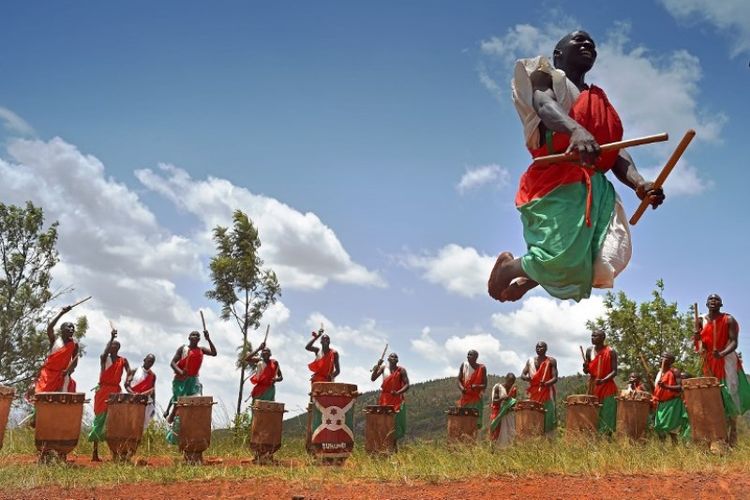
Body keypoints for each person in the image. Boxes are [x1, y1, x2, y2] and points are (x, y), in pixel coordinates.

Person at [488, 30, 665, 303]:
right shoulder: (546, 76)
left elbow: (615, 150)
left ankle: (533, 275)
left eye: (591, 44)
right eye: (578, 41)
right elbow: (544, 105)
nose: (587, 45)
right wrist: (575, 130)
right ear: (558, 55)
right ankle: (510, 269)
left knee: (606, 259)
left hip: (596, 189)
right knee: (562, 255)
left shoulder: (601, 100)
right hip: (557, 178)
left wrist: (640, 183)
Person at [694, 294, 750, 445]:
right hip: (708, 362)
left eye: (716, 299)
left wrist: (722, 353)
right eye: (710, 299)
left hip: (726, 361)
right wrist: (696, 337)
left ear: (721, 304)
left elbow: (734, 342)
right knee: (711, 396)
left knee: (728, 393)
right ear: (706, 303)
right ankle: (715, 436)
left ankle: (733, 429)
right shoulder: (700, 320)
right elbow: (699, 348)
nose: (713, 301)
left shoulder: (729, 319)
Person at [89, 327, 130, 461]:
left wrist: (128, 380)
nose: (113, 347)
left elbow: (129, 372)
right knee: (99, 420)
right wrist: (111, 337)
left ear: (118, 349)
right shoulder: (104, 359)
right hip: (103, 391)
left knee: (114, 422)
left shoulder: (122, 360)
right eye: (111, 345)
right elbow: (104, 352)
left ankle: (114, 453)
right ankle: (94, 453)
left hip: (116, 391)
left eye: (116, 346)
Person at [166, 329, 217, 424]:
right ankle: (170, 419)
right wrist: (180, 372)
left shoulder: (201, 350)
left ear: (199, 339)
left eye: (197, 335)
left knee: (195, 400)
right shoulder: (183, 349)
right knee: (179, 403)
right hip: (181, 380)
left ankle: (191, 422)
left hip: (193, 380)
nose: (195, 336)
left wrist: (208, 339)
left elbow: (214, 353)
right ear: (189, 337)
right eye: (193, 335)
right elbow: (172, 363)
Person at [34, 305, 80, 394]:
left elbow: (74, 361)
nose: (71, 330)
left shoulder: (74, 344)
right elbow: (49, 328)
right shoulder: (55, 341)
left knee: (64, 396)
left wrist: (68, 371)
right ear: (62, 330)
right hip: (47, 374)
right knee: (41, 396)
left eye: (73, 328)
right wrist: (61, 313)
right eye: (69, 327)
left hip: (62, 375)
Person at [583, 329, 618, 434]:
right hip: (593, 385)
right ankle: (592, 434)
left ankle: (607, 435)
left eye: (595, 336)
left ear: (603, 338)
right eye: (592, 336)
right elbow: (587, 371)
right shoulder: (589, 351)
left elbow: (614, 371)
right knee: (592, 410)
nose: (592, 338)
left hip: (607, 385)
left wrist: (603, 380)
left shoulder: (611, 351)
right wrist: (585, 368)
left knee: (607, 411)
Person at [371, 352, 410, 442]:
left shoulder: (401, 370)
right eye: (392, 356)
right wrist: (377, 366)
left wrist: (397, 392)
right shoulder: (383, 368)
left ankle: (394, 444)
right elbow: (373, 378)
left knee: (394, 423)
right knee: (383, 421)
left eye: (395, 357)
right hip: (384, 398)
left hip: (396, 398)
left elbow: (407, 385)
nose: (394, 358)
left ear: (397, 360)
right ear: (388, 359)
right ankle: (384, 444)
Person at [521, 341, 558, 434]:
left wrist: (546, 383)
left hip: (547, 391)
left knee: (548, 414)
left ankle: (548, 437)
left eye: (541, 347)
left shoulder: (551, 361)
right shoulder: (530, 361)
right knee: (534, 413)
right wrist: (527, 378)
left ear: (546, 349)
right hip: (534, 392)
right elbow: (522, 375)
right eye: (537, 347)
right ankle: (535, 436)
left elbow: (555, 378)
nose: (538, 349)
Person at [652, 352, 688, 443]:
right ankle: (662, 448)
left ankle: (675, 449)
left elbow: (680, 388)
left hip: (672, 403)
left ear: (670, 361)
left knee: (672, 430)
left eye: (664, 357)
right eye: (661, 357)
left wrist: (666, 387)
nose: (662, 359)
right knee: (658, 427)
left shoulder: (675, 372)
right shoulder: (660, 373)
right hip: (661, 404)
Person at [126, 354, 157, 432]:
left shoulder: (152, 375)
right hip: (133, 400)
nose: (150, 363)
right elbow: (126, 385)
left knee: (143, 425)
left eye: (152, 362)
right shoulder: (134, 371)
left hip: (146, 402)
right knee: (131, 422)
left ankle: (139, 441)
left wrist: (153, 405)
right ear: (144, 360)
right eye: (149, 361)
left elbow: (153, 391)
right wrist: (133, 394)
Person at [457, 350, 488, 429]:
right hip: (466, 397)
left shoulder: (482, 368)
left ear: (476, 357)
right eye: (468, 354)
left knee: (475, 421)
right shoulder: (464, 365)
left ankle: (473, 437)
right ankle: (464, 438)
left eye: (470, 355)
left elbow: (484, 385)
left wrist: (476, 386)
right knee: (464, 419)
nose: (468, 356)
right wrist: (462, 388)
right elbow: (459, 380)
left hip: (476, 398)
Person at [489, 373, 517, 446]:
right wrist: (503, 398)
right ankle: (493, 452)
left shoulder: (513, 390)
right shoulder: (498, 387)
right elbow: (494, 401)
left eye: (512, 382)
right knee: (496, 434)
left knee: (509, 435)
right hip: (498, 413)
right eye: (509, 381)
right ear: (506, 379)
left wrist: (512, 408)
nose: (510, 384)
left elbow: (513, 404)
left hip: (508, 415)